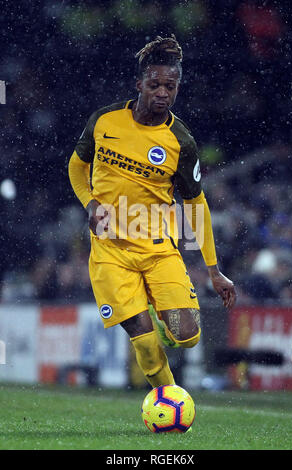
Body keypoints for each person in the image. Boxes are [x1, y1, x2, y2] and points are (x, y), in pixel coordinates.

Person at [68, 35, 236, 388]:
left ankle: (163, 318)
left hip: (159, 250)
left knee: (187, 335)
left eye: (170, 87)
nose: (163, 92)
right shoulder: (105, 121)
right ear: (139, 83)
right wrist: (91, 203)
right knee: (144, 343)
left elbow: (195, 203)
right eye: (155, 84)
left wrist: (213, 271)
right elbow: (76, 167)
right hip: (111, 252)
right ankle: (169, 399)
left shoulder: (180, 141)